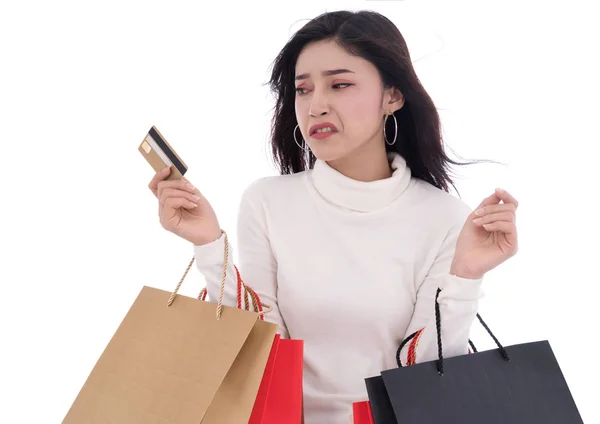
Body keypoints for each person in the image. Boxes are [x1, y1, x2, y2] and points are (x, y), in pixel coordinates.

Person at [148, 9, 519, 424]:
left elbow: (429, 377)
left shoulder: (445, 217)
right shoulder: (267, 202)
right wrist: (209, 245)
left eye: (340, 85)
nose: (316, 105)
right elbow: (258, 350)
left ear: (392, 96)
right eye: (303, 90)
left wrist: (465, 277)